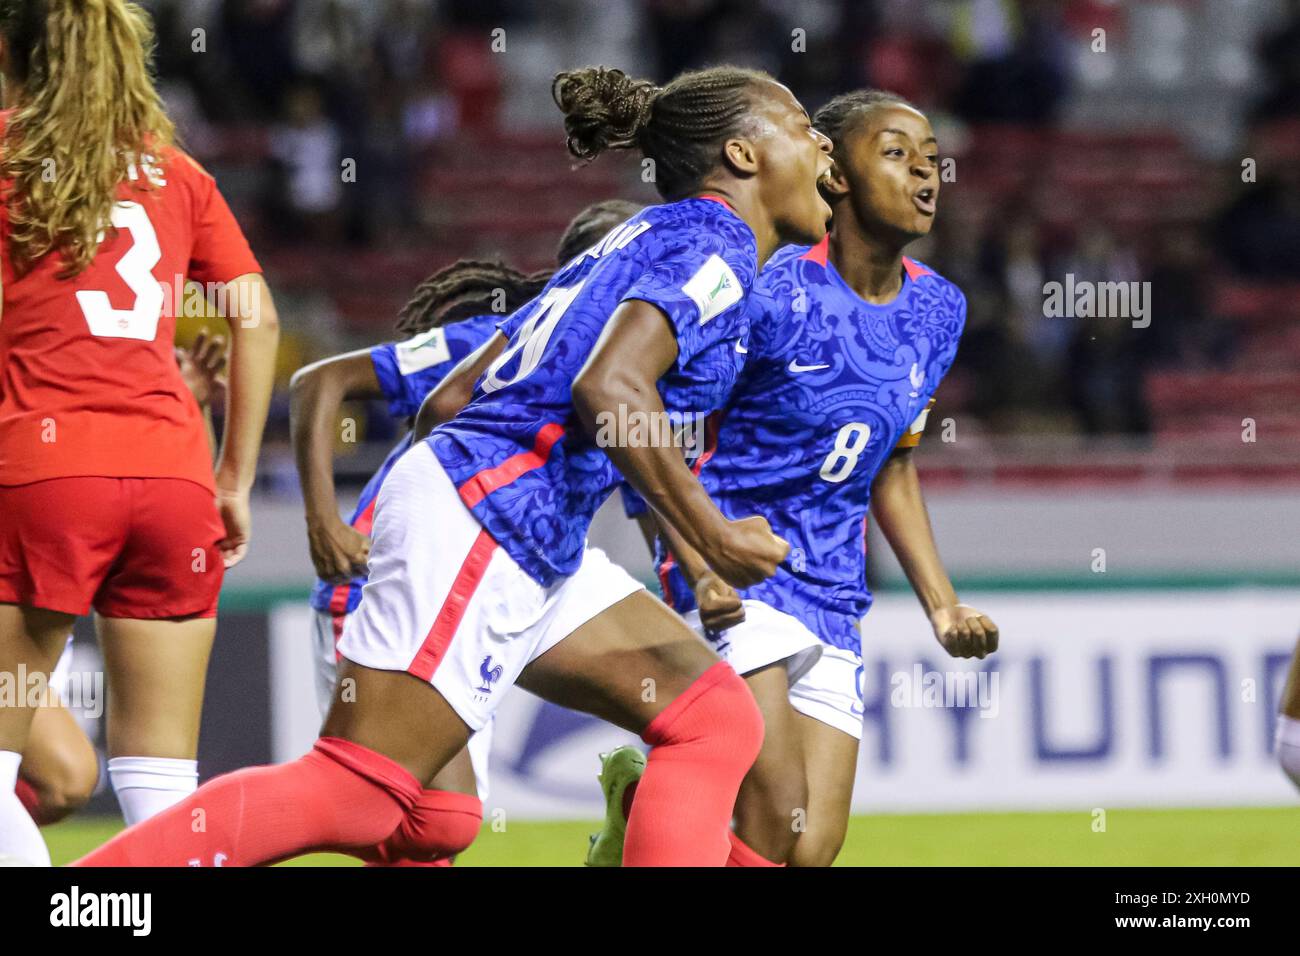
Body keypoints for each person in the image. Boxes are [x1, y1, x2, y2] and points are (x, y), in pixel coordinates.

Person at [75, 63, 832, 867]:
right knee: (357, 791)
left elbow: (469, 393)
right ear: (743, 155)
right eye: (798, 122)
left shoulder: (651, 235)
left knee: (711, 716)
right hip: (491, 511)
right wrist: (711, 533)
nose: (820, 140)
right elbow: (607, 387)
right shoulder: (713, 241)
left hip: (532, 530)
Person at [588, 90, 999, 867]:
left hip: (834, 591)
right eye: (898, 152)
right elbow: (651, 425)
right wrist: (699, 560)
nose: (927, 173)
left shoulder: (940, 310)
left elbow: (895, 463)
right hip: (741, 572)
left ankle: (646, 805)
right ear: (834, 174)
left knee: (810, 851)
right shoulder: (767, 290)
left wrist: (942, 607)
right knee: (775, 819)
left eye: (934, 158)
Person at [0, 0, 279, 866]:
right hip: (172, 479)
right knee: (163, 785)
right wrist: (230, 475)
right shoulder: (175, 172)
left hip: (42, 472)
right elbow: (257, 317)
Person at [287, 200, 642, 865]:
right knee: (395, 818)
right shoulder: (495, 344)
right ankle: (217, 837)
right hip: (379, 588)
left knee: (436, 827)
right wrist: (323, 521)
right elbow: (320, 381)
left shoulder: (630, 378)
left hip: (486, 597)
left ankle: (636, 829)